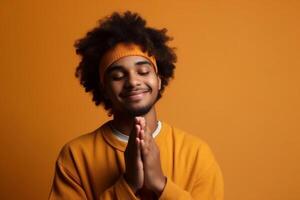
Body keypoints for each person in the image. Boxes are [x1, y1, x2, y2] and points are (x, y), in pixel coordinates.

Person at [49, 11, 224, 200]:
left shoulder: (196, 153)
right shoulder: (75, 156)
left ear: (158, 79)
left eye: (143, 71)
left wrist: (160, 183)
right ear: (104, 88)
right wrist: (128, 184)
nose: (132, 81)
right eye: (117, 76)